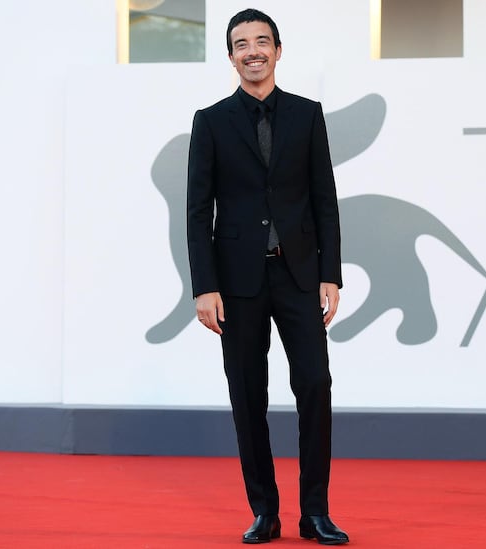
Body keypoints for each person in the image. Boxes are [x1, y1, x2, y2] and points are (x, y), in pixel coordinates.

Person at [186, 8, 349, 546]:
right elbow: (197, 210)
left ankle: (315, 512)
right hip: (236, 283)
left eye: (262, 41)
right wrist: (204, 286)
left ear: (279, 50)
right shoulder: (209, 121)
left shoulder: (307, 115)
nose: (252, 51)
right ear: (230, 56)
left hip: (300, 275)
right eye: (241, 43)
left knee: (315, 386)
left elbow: (325, 201)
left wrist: (331, 272)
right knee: (247, 393)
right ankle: (265, 511)